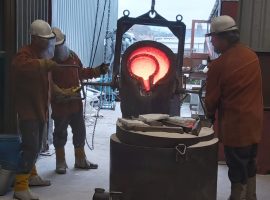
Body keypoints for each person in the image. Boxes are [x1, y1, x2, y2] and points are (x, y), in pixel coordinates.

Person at [12, 19, 75, 200]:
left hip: (40, 109)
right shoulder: (24, 54)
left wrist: (61, 92)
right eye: (45, 39)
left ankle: (31, 177)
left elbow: (48, 83)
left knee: (37, 146)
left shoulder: (42, 56)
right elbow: (20, 66)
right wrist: (44, 64)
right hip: (28, 110)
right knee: (30, 146)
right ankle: (20, 188)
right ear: (35, 38)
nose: (49, 42)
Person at [205, 15, 263, 200]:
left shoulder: (219, 65)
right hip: (254, 124)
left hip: (235, 127)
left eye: (213, 37)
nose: (212, 41)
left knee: (237, 168)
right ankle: (251, 196)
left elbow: (211, 100)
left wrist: (208, 116)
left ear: (223, 37)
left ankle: (237, 196)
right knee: (249, 164)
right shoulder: (251, 56)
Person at [51, 27, 109, 174]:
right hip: (60, 104)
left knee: (80, 131)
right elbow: (47, 82)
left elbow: (81, 72)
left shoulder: (72, 56)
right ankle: (60, 161)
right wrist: (58, 92)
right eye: (56, 46)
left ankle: (80, 159)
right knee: (60, 133)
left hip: (75, 102)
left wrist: (97, 70)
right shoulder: (49, 62)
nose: (59, 49)